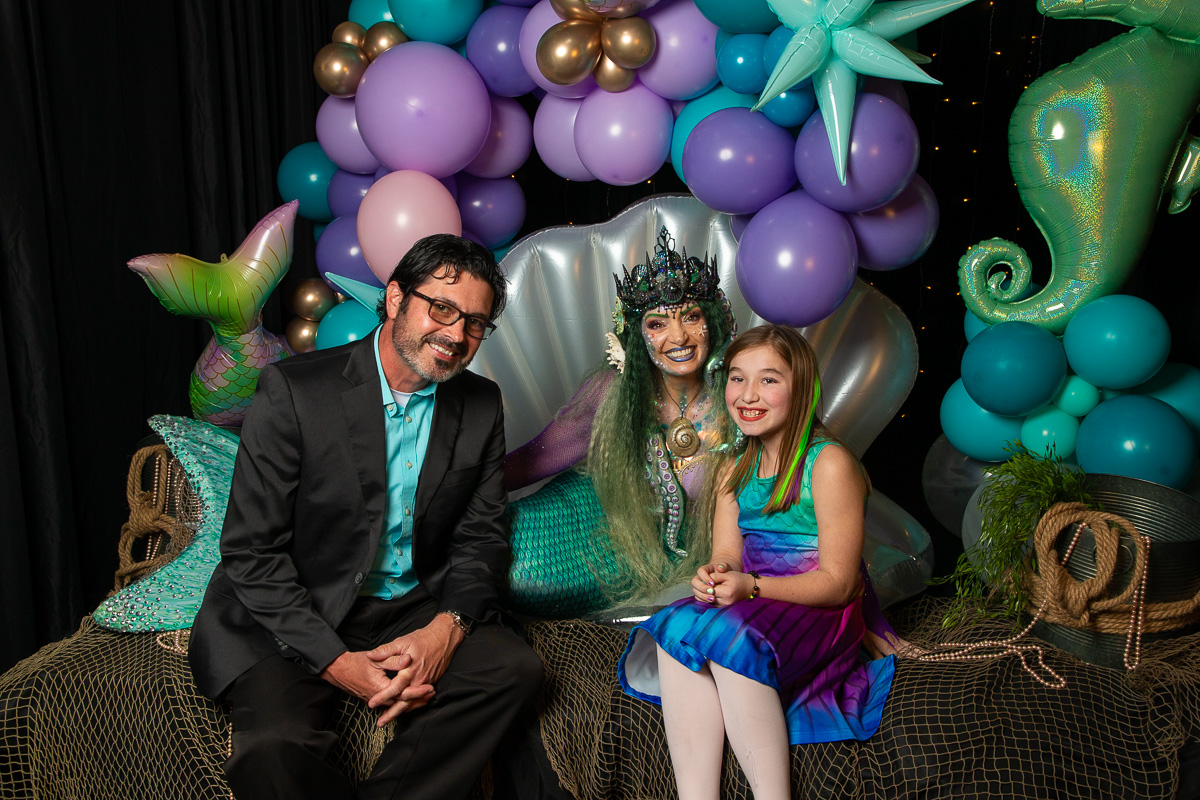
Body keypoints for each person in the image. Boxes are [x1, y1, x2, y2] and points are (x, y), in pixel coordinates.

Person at [188, 233, 544, 800]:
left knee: (513, 669)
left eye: (475, 323)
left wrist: (446, 629)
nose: (457, 335)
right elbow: (251, 552)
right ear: (396, 297)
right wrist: (335, 661)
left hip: (411, 605)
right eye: (442, 308)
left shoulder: (479, 404)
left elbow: (481, 538)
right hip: (302, 604)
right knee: (271, 749)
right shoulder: (294, 392)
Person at [618, 325, 897, 800]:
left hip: (819, 611)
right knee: (676, 624)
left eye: (769, 380)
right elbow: (727, 554)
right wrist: (715, 575)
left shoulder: (829, 464)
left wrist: (750, 586)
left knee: (733, 635)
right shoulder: (734, 467)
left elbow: (837, 582)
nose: (748, 395)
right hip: (757, 598)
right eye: (737, 378)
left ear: (801, 388)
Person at [504, 226, 738, 612]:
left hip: (650, 554)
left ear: (711, 322)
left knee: (527, 581)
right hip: (591, 507)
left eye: (691, 317)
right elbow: (539, 456)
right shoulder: (613, 387)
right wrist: (457, 490)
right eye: (657, 324)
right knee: (493, 543)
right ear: (637, 334)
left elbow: (797, 468)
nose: (679, 337)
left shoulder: (739, 396)